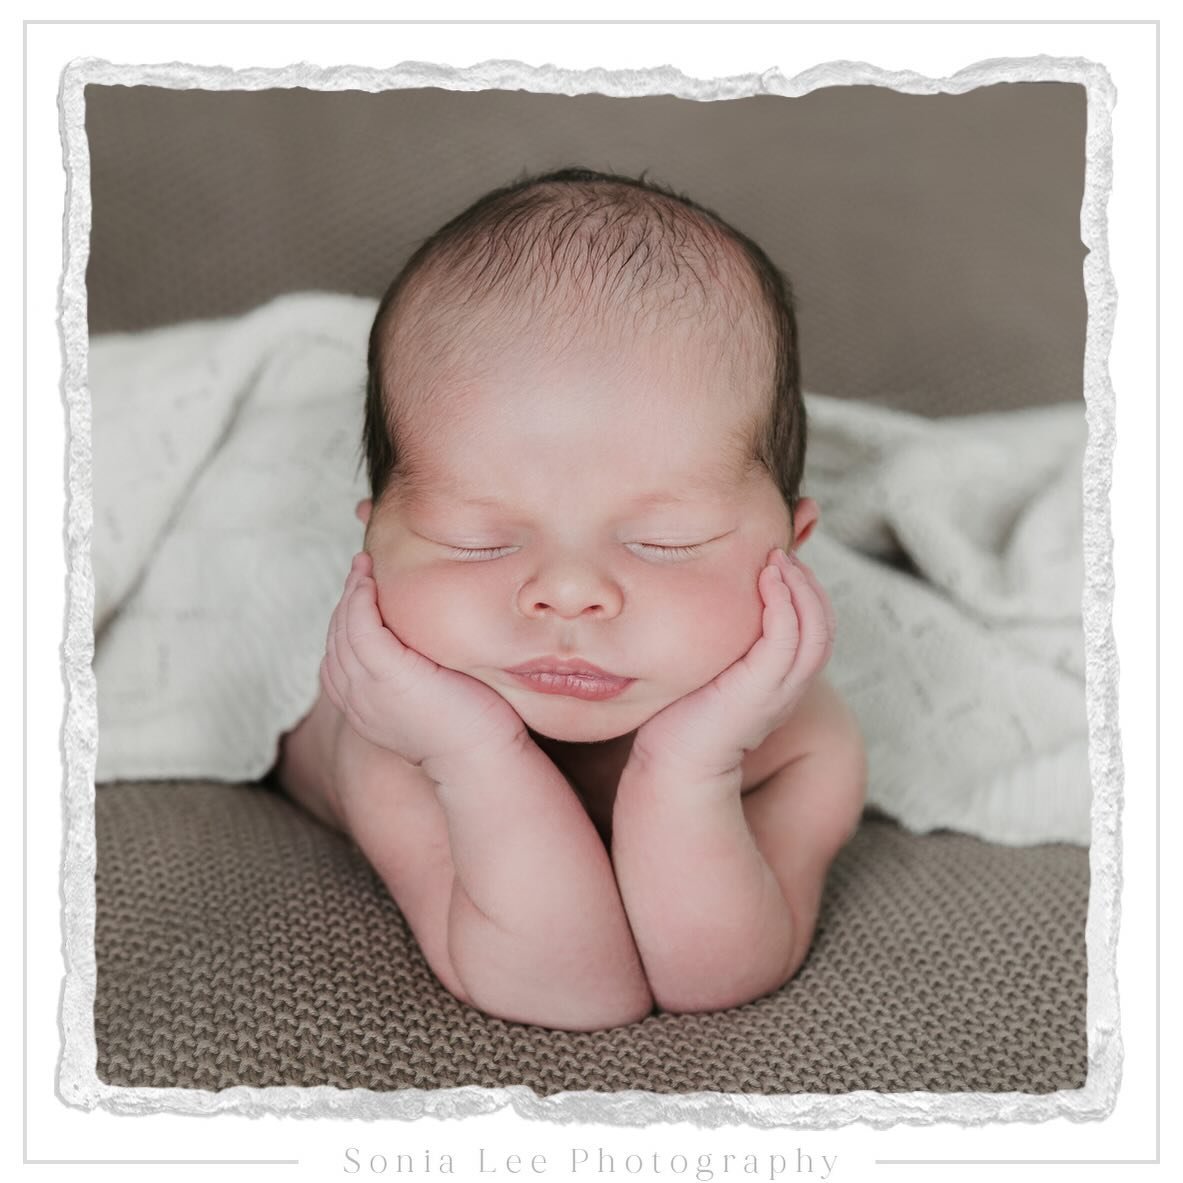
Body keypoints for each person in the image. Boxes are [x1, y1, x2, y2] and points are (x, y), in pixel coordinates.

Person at [277, 168, 867, 1031]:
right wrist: (472, 754)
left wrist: (690, 767)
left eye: (664, 542)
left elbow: (713, 976)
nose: (566, 591)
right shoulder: (390, 727)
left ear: (793, 550)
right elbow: (568, 989)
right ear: (370, 541)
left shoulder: (801, 743)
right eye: (476, 538)